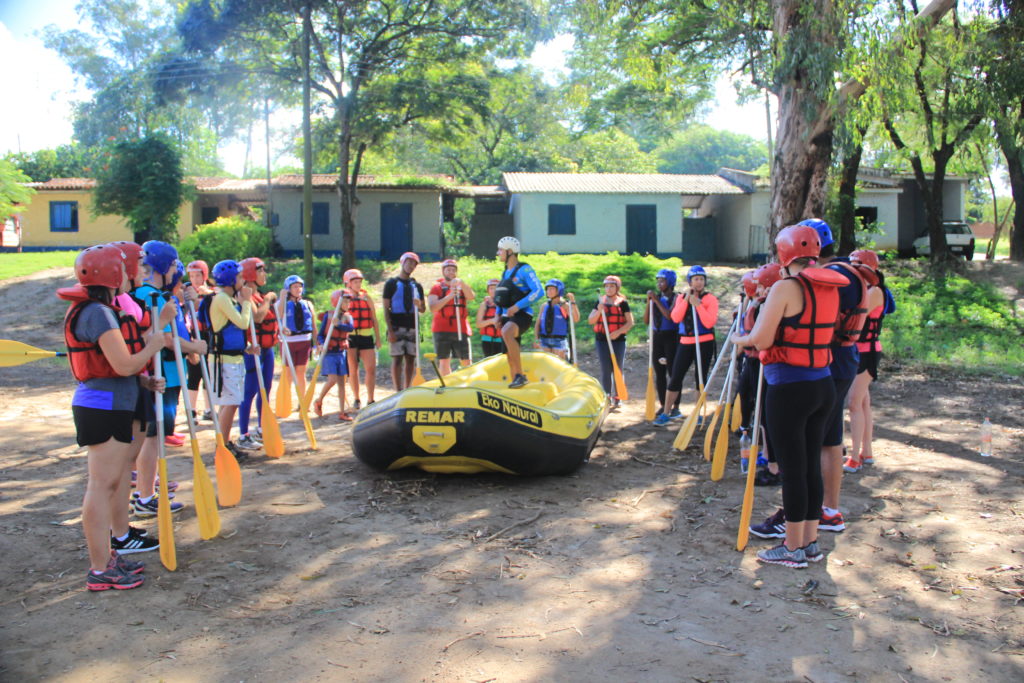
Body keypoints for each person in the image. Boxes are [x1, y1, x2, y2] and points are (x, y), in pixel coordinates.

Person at [59, 244, 175, 589]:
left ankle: (107, 557)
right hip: (102, 407)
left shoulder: (100, 310)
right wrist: (154, 344)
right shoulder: (98, 313)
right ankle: (99, 569)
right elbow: (123, 363)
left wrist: (143, 379)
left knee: (108, 483)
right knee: (102, 485)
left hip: (109, 402)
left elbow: (116, 368)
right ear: (113, 274)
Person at [732, 225, 846, 568]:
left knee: (793, 470)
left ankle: (792, 548)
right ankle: (810, 542)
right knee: (810, 465)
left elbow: (762, 340)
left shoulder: (785, 287)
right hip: (822, 386)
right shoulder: (829, 284)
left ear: (784, 254)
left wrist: (740, 340)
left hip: (789, 389)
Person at [801, 218, 874, 533]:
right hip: (844, 359)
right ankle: (828, 509)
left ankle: (810, 511)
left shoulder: (831, 277)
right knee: (830, 438)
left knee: (811, 438)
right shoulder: (850, 271)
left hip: (829, 361)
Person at [132, 243, 205, 518]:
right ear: (163, 267)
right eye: (174, 266)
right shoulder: (153, 298)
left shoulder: (149, 294)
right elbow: (163, 337)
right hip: (162, 374)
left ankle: (146, 486)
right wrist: (194, 348)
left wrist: (188, 302)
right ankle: (146, 495)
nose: (177, 271)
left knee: (152, 436)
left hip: (162, 372)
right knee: (154, 436)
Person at [652, 265, 718, 427]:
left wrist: (698, 305)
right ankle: (667, 412)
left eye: (701, 279)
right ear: (690, 282)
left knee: (700, 379)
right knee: (675, 377)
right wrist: (686, 301)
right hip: (685, 343)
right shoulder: (681, 298)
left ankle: (698, 414)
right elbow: (675, 318)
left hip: (704, 342)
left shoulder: (710, 299)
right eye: (695, 279)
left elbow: (709, 322)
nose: (699, 282)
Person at [845, 249, 889, 472]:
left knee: (854, 403)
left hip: (867, 352)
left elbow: (856, 315)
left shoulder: (873, 292)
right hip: (857, 350)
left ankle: (854, 457)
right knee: (862, 403)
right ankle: (866, 451)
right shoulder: (865, 290)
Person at [208, 260, 253, 456]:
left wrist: (248, 347)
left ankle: (224, 441)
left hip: (233, 358)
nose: (243, 281)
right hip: (224, 361)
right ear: (230, 280)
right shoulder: (222, 299)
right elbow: (243, 323)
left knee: (231, 401)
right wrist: (247, 302)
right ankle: (222, 445)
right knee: (231, 401)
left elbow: (233, 330)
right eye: (240, 277)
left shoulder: (229, 299)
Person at [236, 257, 278, 451]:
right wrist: (269, 299)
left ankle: (261, 428)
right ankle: (243, 434)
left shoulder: (259, 295)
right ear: (251, 274)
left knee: (265, 390)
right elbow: (257, 317)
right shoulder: (246, 296)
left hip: (267, 350)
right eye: (261, 271)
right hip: (253, 351)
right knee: (250, 391)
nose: (265, 274)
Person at [494, 236, 544, 388]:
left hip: (522, 315)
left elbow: (538, 291)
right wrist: (497, 314)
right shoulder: (505, 273)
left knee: (507, 332)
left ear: (510, 251)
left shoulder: (525, 270)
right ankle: (515, 383)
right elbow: (502, 297)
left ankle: (520, 375)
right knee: (509, 355)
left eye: (500, 250)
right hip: (506, 316)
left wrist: (517, 307)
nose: (498, 253)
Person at [587, 275, 634, 407]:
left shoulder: (623, 303)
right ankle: (607, 396)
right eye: (606, 286)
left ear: (617, 288)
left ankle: (618, 397)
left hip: (618, 341)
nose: (608, 288)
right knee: (605, 369)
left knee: (617, 369)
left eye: (612, 286)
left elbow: (630, 323)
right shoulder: (600, 302)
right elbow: (591, 320)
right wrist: (598, 312)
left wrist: (618, 332)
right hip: (602, 340)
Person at [382, 252, 425, 390]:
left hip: (412, 326)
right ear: (402, 263)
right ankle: (397, 389)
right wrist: (390, 331)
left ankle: (408, 388)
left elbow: (423, 309)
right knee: (397, 359)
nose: (411, 266)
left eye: (414, 264)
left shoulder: (417, 286)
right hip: (396, 325)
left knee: (410, 359)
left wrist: (419, 305)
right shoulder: (391, 284)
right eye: (409, 262)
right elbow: (386, 308)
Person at [428, 258, 475, 375]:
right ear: (443, 272)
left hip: (461, 328)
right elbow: (433, 307)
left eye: (453, 270)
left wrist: (462, 283)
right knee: (444, 360)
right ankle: (447, 385)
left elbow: (471, 297)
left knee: (466, 360)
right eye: (448, 270)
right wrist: (449, 296)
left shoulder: (462, 286)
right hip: (442, 329)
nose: (451, 272)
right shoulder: (436, 288)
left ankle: (466, 384)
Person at [314, 289, 355, 421]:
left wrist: (340, 325)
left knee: (342, 383)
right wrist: (320, 344)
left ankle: (342, 412)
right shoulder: (328, 316)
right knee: (332, 380)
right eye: (344, 301)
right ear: (337, 302)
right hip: (330, 353)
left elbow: (351, 328)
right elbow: (320, 334)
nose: (347, 304)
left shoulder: (348, 317)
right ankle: (319, 400)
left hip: (341, 353)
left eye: (348, 301)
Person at [645, 268, 681, 418]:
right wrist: (649, 302)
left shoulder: (677, 298)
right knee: (659, 373)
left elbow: (670, 316)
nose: (659, 284)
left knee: (673, 372)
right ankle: (662, 405)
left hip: (672, 337)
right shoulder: (656, 298)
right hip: (657, 337)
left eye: (663, 281)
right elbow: (646, 320)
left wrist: (656, 300)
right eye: (658, 281)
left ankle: (676, 406)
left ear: (670, 282)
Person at [278, 274, 315, 409]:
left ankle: (302, 402)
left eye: (299, 286)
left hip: (304, 341)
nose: (298, 289)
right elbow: (279, 314)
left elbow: (314, 325)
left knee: (301, 372)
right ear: (288, 289)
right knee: (288, 374)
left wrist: (317, 343)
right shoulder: (281, 303)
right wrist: (282, 298)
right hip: (288, 342)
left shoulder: (307, 304)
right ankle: (286, 402)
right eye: (294, 287)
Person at [345, 269, 380, 407]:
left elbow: (374, 319)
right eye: (355, 282)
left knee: (371, 368)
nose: (358, 284)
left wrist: (378, 338)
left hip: (366, 335)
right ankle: (356, 398)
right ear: (348, 283)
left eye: (359, 282)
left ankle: (370, 399)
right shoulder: (344, 298)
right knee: (353, 368)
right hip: (351, 336)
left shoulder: (366, 297)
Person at [184, 260, 213, 423]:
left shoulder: (212, 293)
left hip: (209, 336)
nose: (194, 279)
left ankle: (209, 409)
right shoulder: (185, 294)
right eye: (192, 276)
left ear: (204, 275)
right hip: (193, 336)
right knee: (194, 375)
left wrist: (206, 294)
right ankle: (192, 410)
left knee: (208, 375)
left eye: (197, 275)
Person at [533, 279, 577, 360]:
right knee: (545, 367)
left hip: (559, 342)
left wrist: (573, 303)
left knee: (559, 367)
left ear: (559, 290)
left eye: (552, 289)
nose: (549, 291)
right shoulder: (544, 306)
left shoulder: (564, 306)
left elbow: (575, 319)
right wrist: (536, 339)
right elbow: (537, 324)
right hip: (544, 341)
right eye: (548, 289)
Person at [476, 279, 503, 358]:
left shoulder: (504, 303)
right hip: (487, 340)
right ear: (488, 290)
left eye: (496, 288)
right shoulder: (484, 305)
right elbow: (478, 324)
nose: (493, 290)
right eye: (491, 288)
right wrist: (492, 321)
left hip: (501, 339)